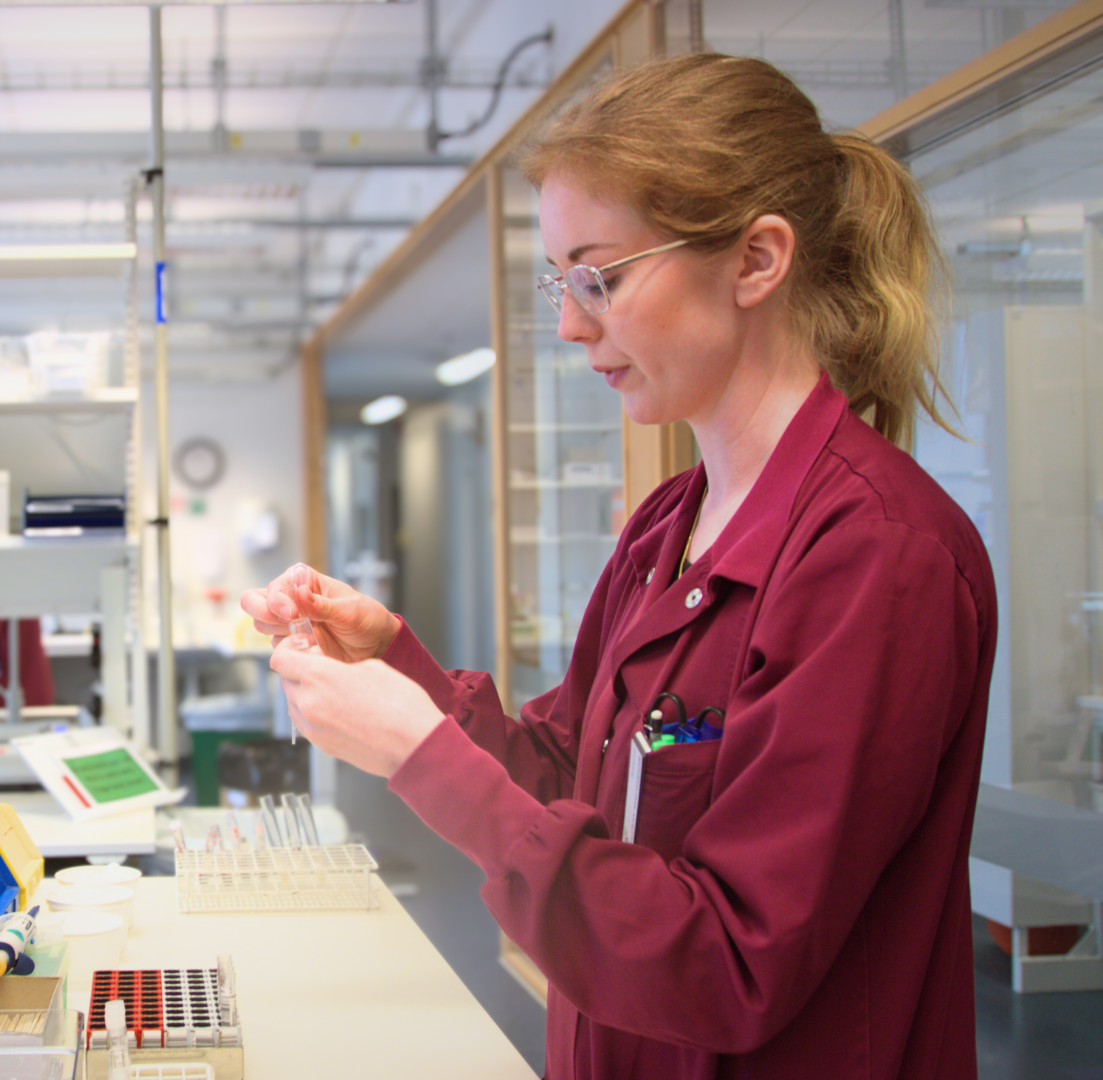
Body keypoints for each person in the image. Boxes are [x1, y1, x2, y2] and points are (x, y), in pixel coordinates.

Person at [245, 54, 997, 1080]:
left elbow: (731, 964)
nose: (568, 323)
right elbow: (571, 779)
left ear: (756, 260)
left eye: (600, 275)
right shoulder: (669, 527)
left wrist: (422, 755)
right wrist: (399, 674)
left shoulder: (875, 556)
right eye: (560, 281)